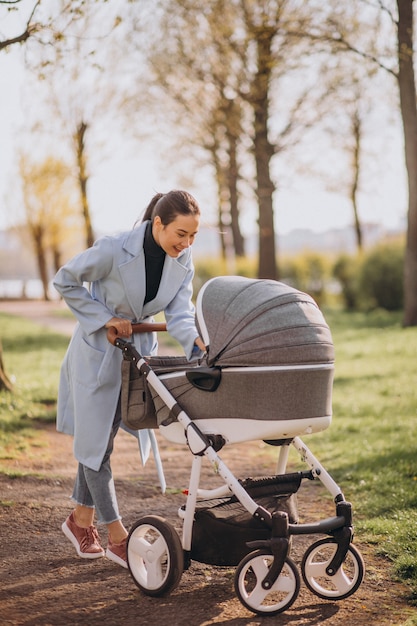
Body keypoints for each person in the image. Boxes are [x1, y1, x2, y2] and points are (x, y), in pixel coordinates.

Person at [54, 189, 205, 569]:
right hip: (97, 356)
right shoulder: (113, 249)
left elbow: (180, 313)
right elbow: (66, 279)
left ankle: (79, 521)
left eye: (192, 236)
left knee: (98, 439)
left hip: (137, 357)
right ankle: (118, 536)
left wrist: (198, 348)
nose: (186, 243)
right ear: (158, 224)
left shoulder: (183, 262)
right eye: (180, 234)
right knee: (96, 444)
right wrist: (104, 317)